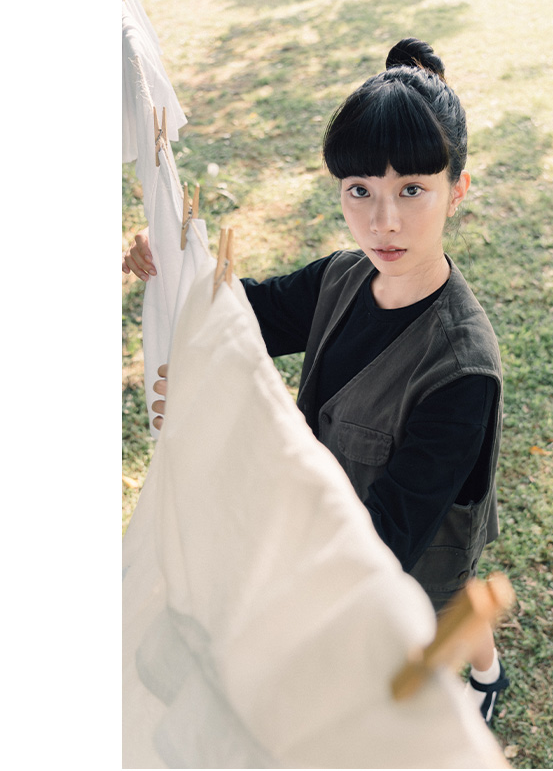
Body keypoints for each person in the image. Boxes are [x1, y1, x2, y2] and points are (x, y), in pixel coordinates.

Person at [122, 38, 510, 724]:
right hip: (345, 513)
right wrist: (176, 268)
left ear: (458, 191)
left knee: (444, 598)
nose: (383, 222)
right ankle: (490, 668)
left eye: (412, 190)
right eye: (360, 191)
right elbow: (248, 312)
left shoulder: (461, 372)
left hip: (408, 548)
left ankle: (483, 674)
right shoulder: (342, 275)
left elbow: (386, 544)